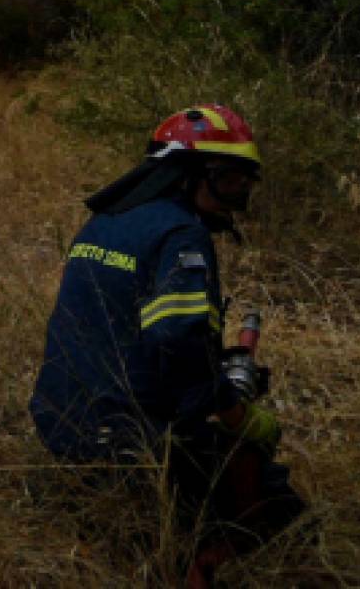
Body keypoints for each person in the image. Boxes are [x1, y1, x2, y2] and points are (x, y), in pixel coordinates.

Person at [29, 104, 305, 587]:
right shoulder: (183, 235)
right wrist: (237, 416)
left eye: (244, 183)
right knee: (277, 502)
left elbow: (129, 334)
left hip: (58, 421)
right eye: (228, 181)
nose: (235, 198)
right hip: (123, 443)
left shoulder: (105, 222)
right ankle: (208, 554)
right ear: (186, 174)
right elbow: (178, 342)